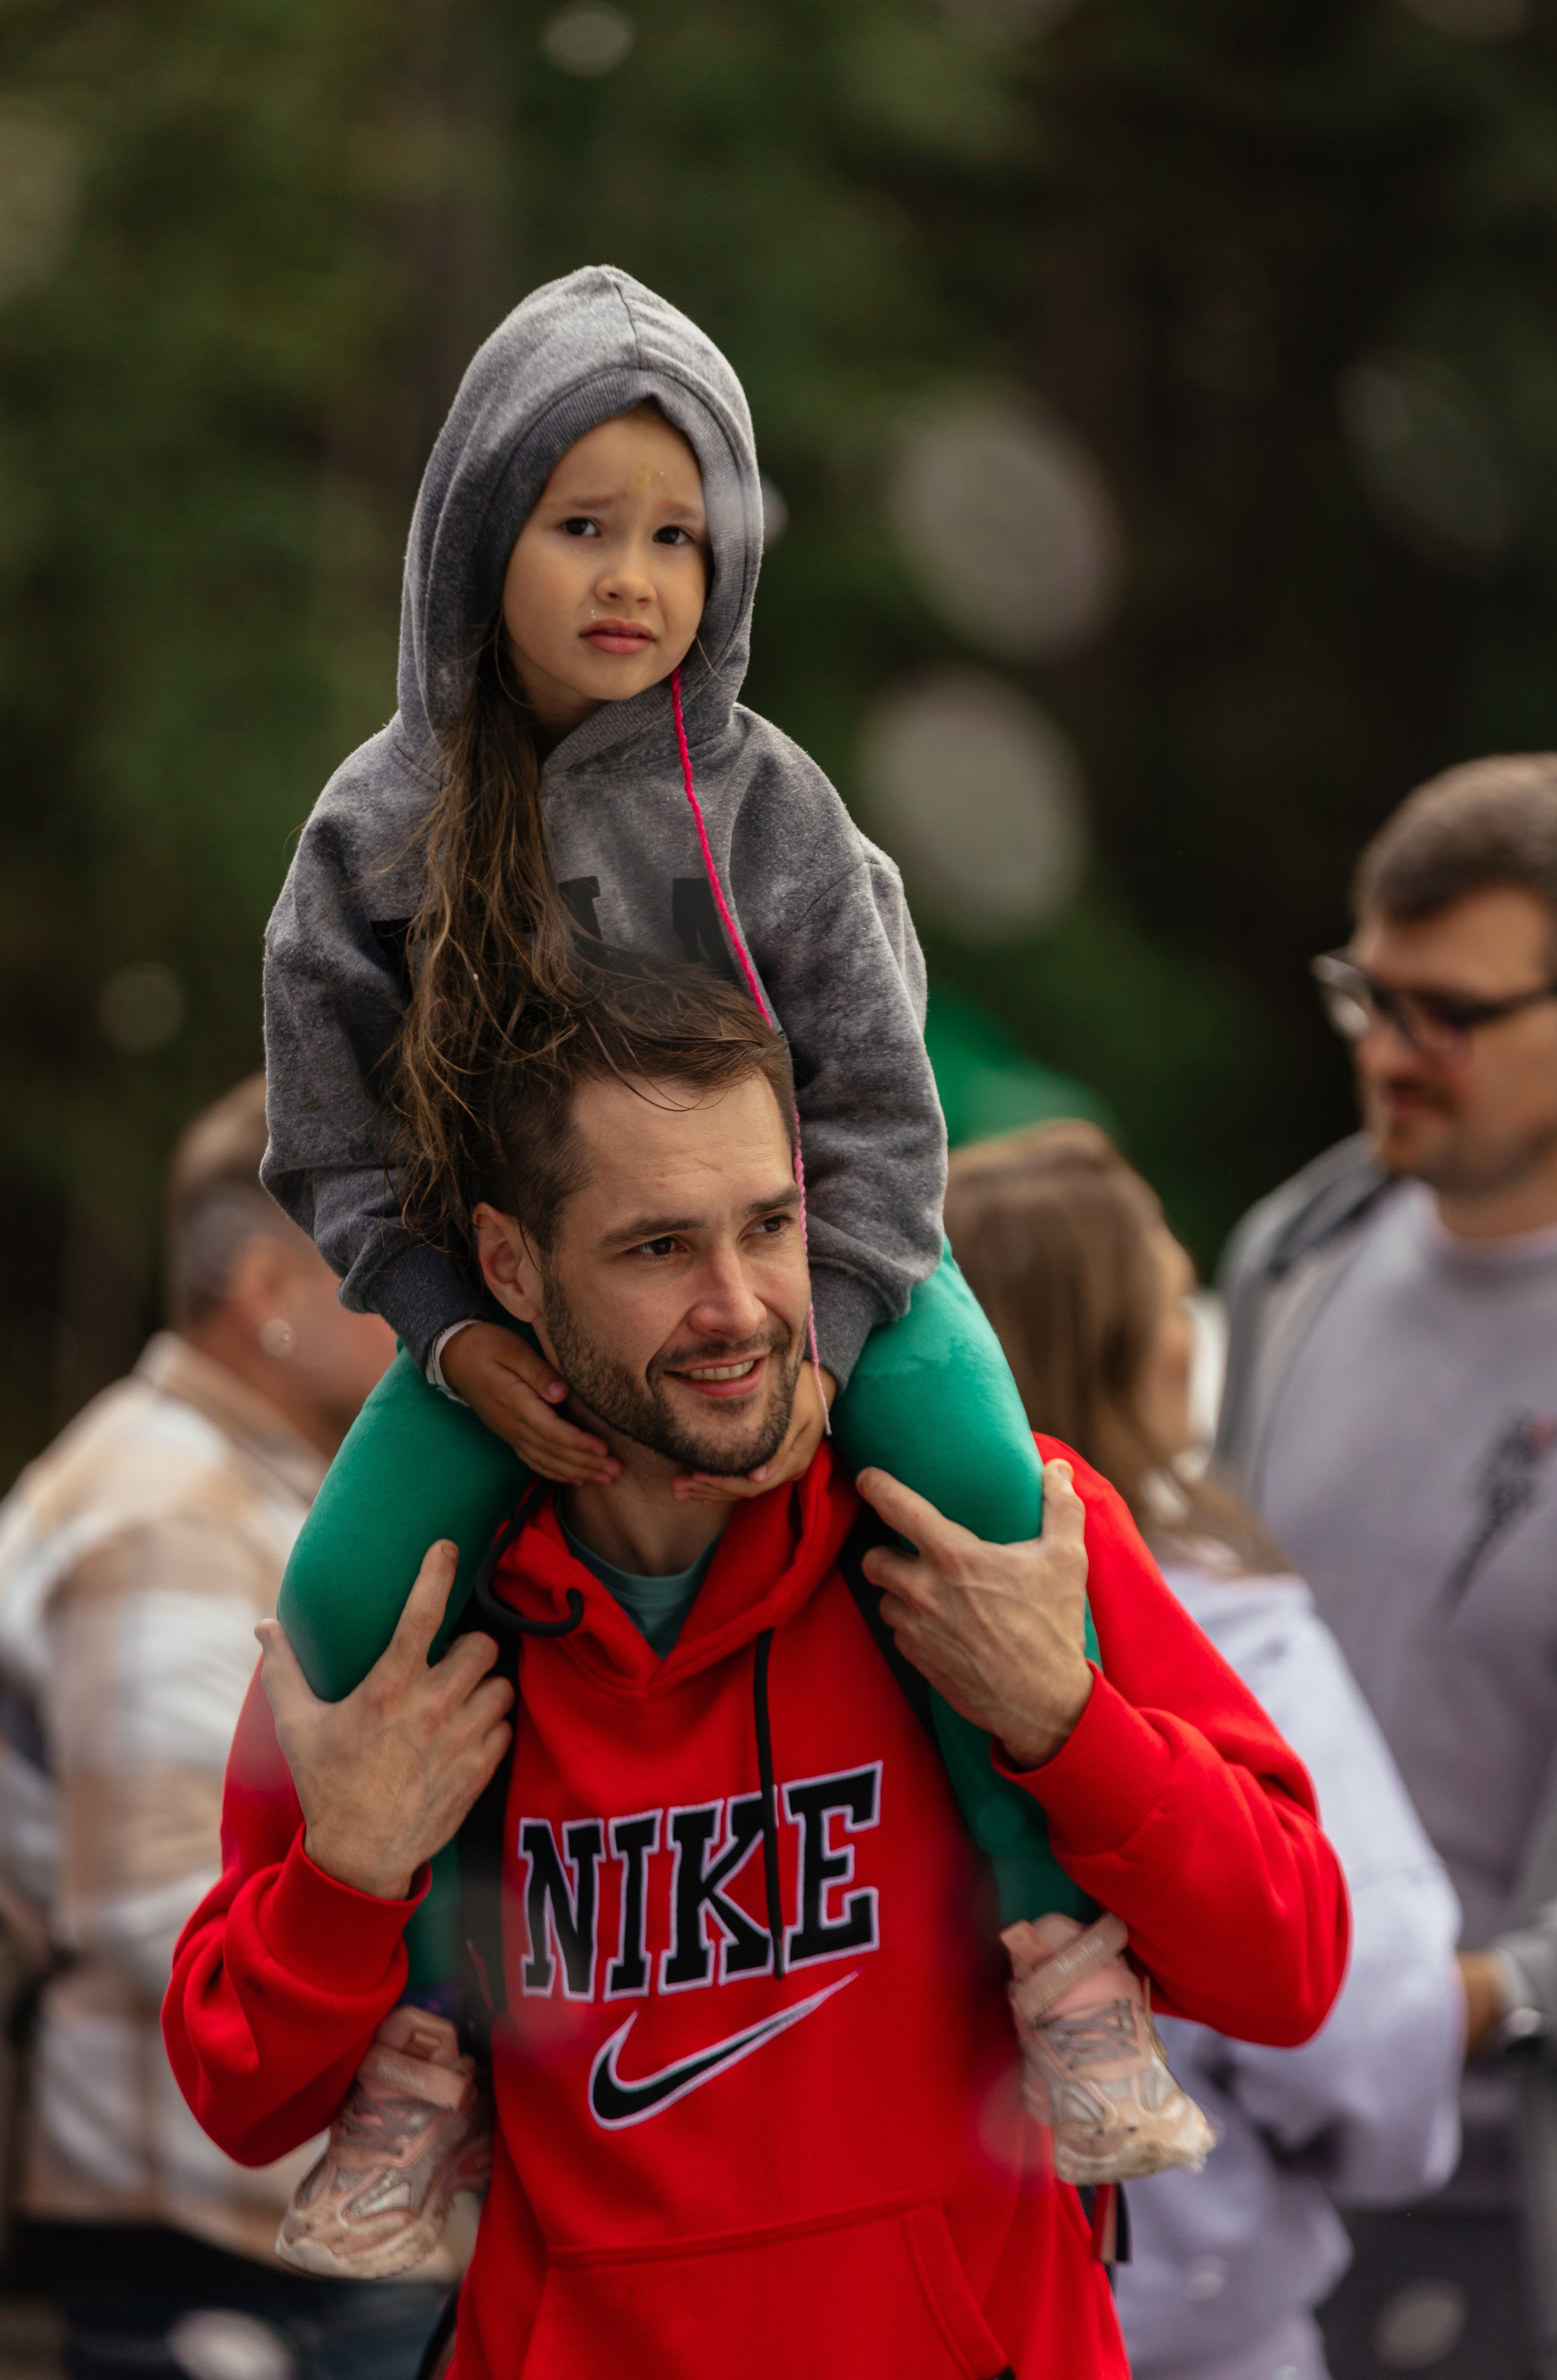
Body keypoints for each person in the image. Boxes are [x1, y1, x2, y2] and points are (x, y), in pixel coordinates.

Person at [255, 261, 1209, 2273]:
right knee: (345, 1588)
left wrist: (828, 1340)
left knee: (979, 1485)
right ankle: (429, 2038)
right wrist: (446, 1343)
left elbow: (882, 1102)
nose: (634, 578)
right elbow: (329, 1134)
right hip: (502, 1332)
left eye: (677, 534)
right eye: (581, 525)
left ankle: (1062, 1963)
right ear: (469, 541)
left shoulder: (771, 806)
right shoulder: (373, 833)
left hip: (826, 1279)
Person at [163, 961, 1348, 2380]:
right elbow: (238, 2095)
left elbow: (1291, 1969)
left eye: (770, 1226)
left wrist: (1065, 1720)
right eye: (657, 1247)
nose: (738, 1307)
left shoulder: (1001, 1535)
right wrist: (349, 1877)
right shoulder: (416, 1625)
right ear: (510, 1268)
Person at [946, 1120, 1464, 2380]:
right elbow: (1366, 2026)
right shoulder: (1231, 1635)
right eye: (1167, 1295)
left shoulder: (858, 1625)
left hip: (940, 2317)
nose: (1191, 1330)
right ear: (1118, 1343)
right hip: (1190, 2326)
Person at [0, 1078, 445, 2380]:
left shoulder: (218, 1480)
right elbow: (164, 1909)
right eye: (378, 1262)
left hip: (248, 2221)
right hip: (216, 2241)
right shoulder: (165, 1512)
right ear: (264, 1291)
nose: (426, 1307)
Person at [1214, 755, 1557, 2378]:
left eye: (1449, 1014)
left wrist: (1466, 2000)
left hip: (1508, 2210)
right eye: (1368, 992)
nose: (1386, 1052)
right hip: (1254, 2182)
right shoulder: (1291, 1261)